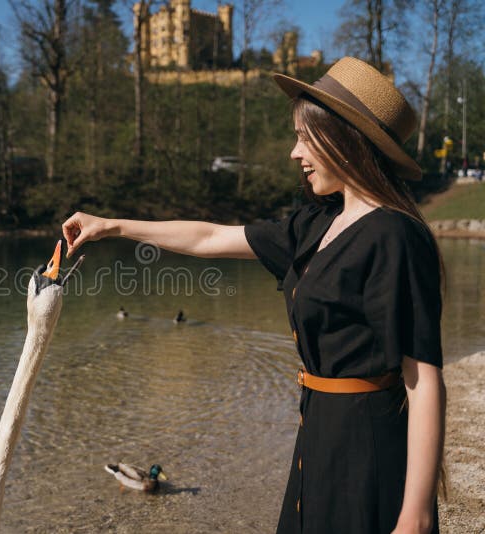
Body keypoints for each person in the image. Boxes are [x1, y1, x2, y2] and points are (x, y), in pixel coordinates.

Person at [61, 57, 445, 534]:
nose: (293, 153)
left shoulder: (394, 235)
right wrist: (111, 226)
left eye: (305, 137)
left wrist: (417, 514)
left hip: (365, 444)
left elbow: (423, 379)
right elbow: (208, 239)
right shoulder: (315, 224)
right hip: (316, 433)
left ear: (343, 139)